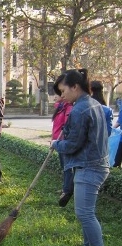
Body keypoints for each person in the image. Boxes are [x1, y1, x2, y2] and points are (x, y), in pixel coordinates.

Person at [51, 69, 109, 246]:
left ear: (75, 87)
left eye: (63, 90)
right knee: (86, 211)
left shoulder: (79, 110)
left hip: (89, 167)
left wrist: (56, 144)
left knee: (84, 213)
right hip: (95, 164)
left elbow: (73, 145)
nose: (62, 95)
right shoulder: (94, 104)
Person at [51, 75, 74, 207]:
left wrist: (59, 141)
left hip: (64, 142)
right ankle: (65, 188)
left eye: (59, 93)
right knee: (64, 166)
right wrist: (53, 140)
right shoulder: (59, 108)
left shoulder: (69, 108)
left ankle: (66, 191)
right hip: (58, 142)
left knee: (67, 167)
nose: (55, 96)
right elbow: (56, 126)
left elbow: (66, 127)